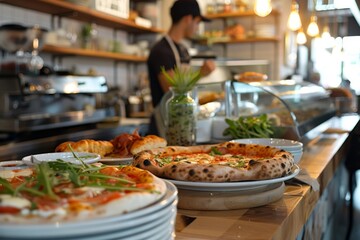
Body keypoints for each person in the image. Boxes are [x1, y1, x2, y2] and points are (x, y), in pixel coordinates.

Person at [147, 0, 216, 108]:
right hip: (166, 120)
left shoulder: (183, 50)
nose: (197, 28)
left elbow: (187, 89)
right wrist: (200, 74)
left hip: (182, 115)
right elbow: (173, 92)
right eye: (197, 22)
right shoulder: (161, 51)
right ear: (188, 19)